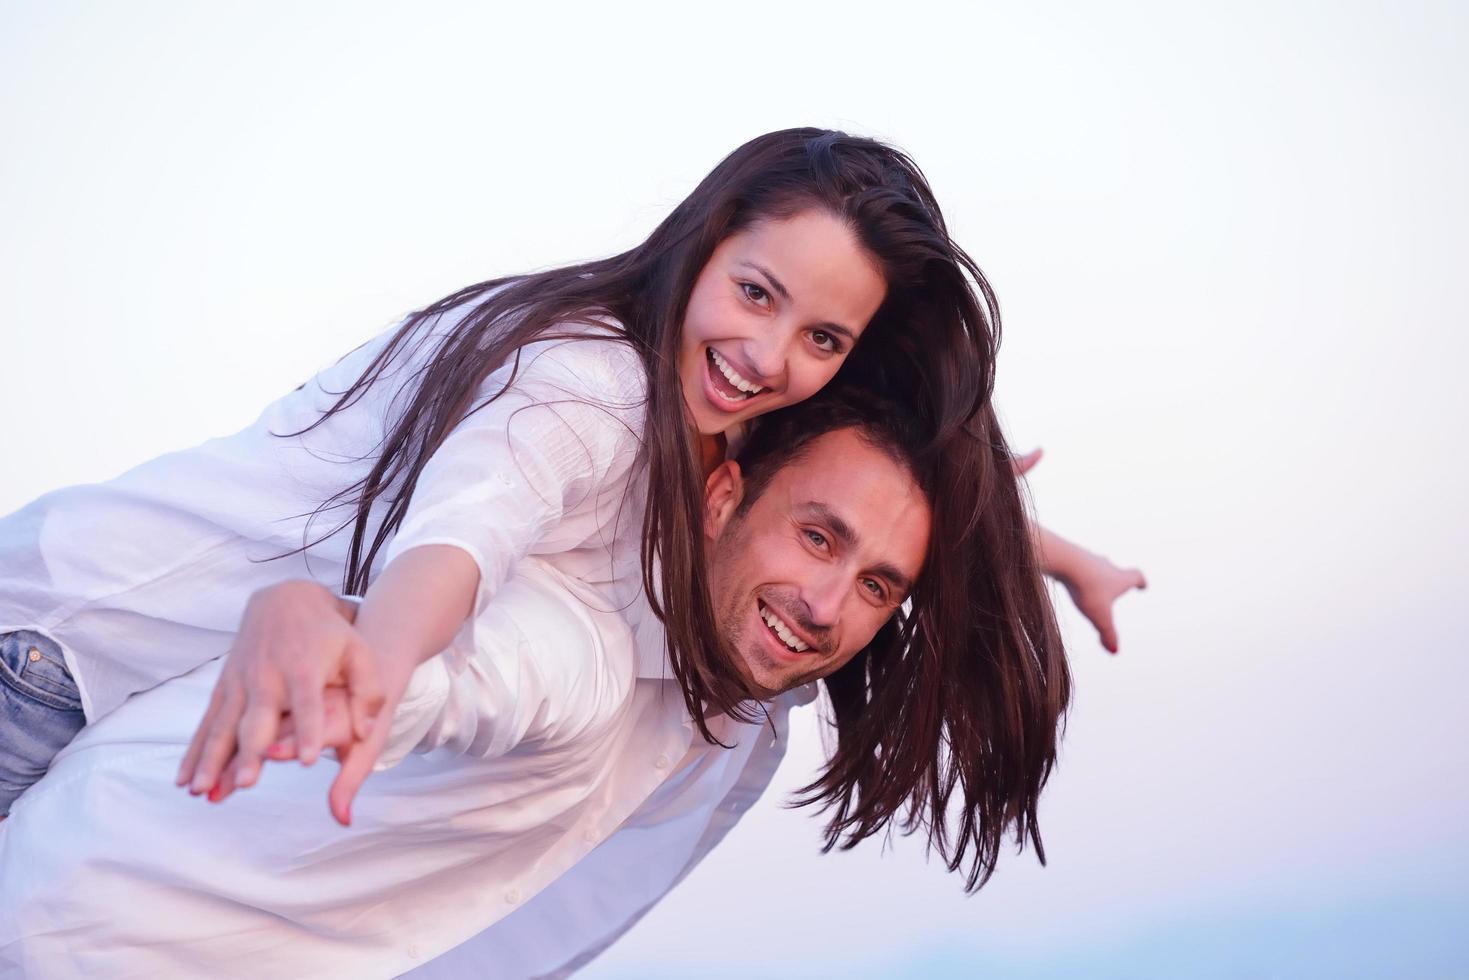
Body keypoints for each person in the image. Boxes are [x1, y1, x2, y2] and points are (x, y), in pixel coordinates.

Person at [0, 128, 1141, 824]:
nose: (769, 357)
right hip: (59, 642)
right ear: (707, 235)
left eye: (821, 339)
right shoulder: (587, 381)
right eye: (755, 292)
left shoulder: (713, 416)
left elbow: (857, 496)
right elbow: (469, 524)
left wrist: (1053, 551)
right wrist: (385, 653)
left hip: (92, 663)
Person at [0, 388, 1066, 977]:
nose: (830, 603)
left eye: (877, 584)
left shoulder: (744, 693)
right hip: (80, 932)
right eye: (815, 537)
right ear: (720, 495)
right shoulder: (584, 639)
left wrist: (1028, 541)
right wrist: (337, 638)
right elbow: (467, 674)